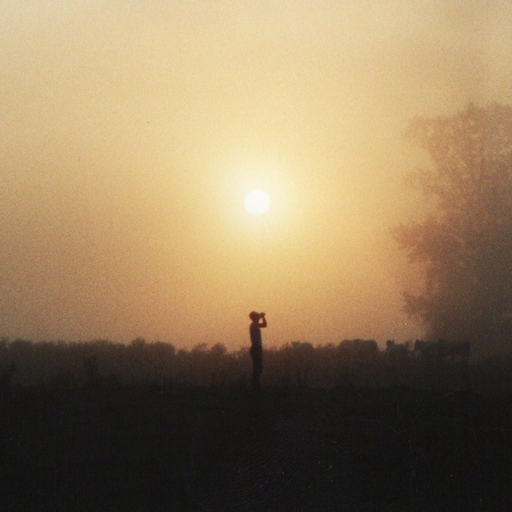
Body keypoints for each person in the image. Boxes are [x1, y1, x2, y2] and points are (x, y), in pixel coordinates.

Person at [249, 311, 267, 391]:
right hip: (256, 348)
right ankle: (255, 385)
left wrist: (262, 316)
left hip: (257, 348)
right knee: (257, 368)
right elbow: (260, 322)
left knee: (258, 368)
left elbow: (264, 325)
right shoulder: (253, 325)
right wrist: (261, 316)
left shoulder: (255, 325)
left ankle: (255, 385)